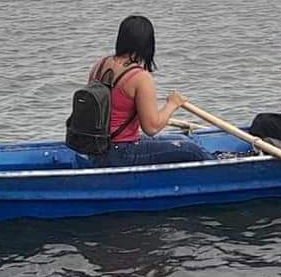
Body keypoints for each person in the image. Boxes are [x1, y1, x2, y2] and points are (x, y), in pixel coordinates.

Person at [87, 15, 212, 167]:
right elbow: (151, 128)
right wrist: (172, 104)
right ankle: (223, 169)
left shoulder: (100, 65)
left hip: (96, 149)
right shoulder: (140, 77)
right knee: (191, 150)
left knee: (183, 140)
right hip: (121, 152)